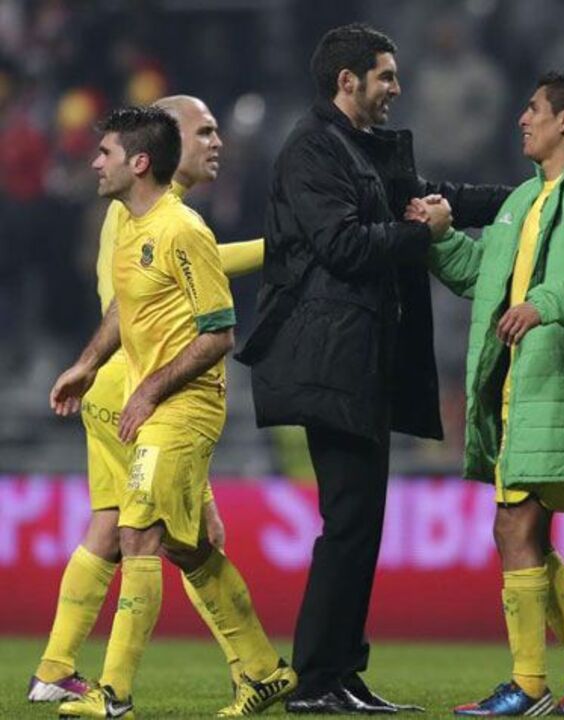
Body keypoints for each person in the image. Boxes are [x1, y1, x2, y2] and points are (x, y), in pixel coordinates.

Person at [234, 23, 510, 715]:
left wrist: (527, 196)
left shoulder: (356, 149)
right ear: (347, 81)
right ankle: (318, 680)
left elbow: (433, 196)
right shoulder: (310, 150)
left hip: (356, 358)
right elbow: (343, 247)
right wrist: (428, 232)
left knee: (359, 522)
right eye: (386, 76)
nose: (397, 87)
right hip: (326, 358)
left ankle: (341, 673)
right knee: (350, 521)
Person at [51, 106, 294, 719]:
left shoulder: (182, 229)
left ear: (137, 163)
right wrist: (87, 363)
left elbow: (219, 334)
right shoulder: (131, 228)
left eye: (104, 153)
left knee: (138, 533)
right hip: (153, 402)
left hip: (183, 406)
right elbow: (124, 311)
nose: (94, 162)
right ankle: (265, 671)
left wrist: (149, 388)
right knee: (189, 547)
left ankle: (113, 696)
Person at [410, 72, 564, 716]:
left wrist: (544, 302)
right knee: (527, 535)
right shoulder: (522, 201)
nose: (521, 118)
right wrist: (439, 238)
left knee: (513, 526)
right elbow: (484, 278)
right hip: (523, 388)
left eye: (533, 108)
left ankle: (530, 686)